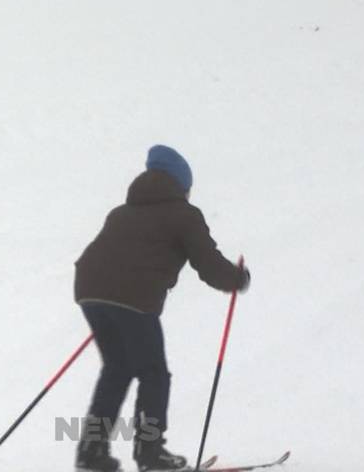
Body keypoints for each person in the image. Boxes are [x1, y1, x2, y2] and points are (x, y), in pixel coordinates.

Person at [74, 145, 250, 472]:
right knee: (153, 374)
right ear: (181, 185)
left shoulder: (121, 212)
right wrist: (236, 279)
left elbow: (111, 256)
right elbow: (208, 264)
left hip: (89, 290)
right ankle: (150, 454)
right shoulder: (184, 214)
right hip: (132, 299)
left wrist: (106, 298)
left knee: (116, 370)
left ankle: (91, 452)